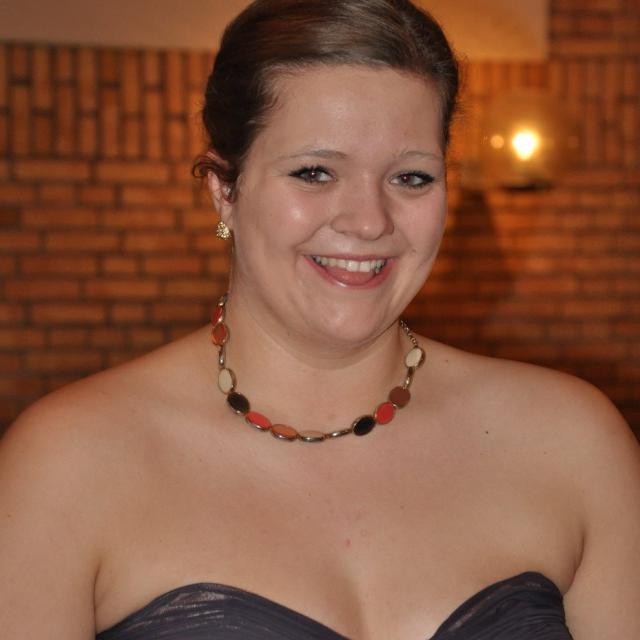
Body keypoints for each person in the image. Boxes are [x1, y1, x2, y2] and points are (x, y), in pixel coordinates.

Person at [1, 0, 639, 638]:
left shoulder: (572, 442)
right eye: (315, 172)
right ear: (225, 189)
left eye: (411, 177)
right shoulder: (68, 466)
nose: (369, 221)